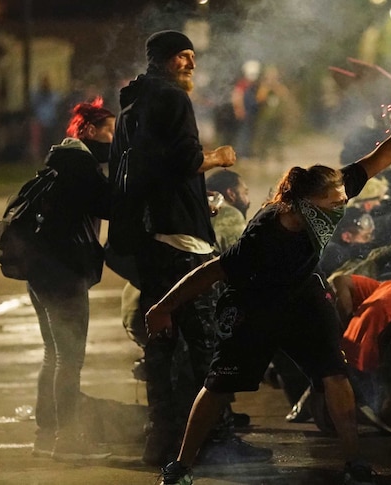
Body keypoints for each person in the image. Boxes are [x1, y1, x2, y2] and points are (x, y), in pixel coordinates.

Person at [146, 88, 391, 485]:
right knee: (220, 386)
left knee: (334, 373)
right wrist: (163, 307)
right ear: (304, 205)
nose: (341, 207)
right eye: (333, 204)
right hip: (254, 303)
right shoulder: (266, 232)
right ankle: (181, 465)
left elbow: (386, 153)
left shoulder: (333, 190)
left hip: (302, 295)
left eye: (342, 199)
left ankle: (354, 463)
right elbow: (211, 271)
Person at [110, 30, 238, 466]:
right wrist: (218, 158)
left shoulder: (132, 104)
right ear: (164, 60)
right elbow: (185, 160)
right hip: (183, 244)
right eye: (183, 56)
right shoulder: (173, 99)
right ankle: (213, 439)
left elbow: (148, 171)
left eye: (192, 57)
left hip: (150, 241)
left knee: (160, 346)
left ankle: (160, 439)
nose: (191, 64)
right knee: (206, 345)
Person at [27, 98, 115, 461]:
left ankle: (45, 435)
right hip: (63, 275)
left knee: (53, 354)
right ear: (91, 131)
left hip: (39, 272)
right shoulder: (81, 166)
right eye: (111, 131)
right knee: (69, 359)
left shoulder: (60, 160)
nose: (115, 138)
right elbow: (110, 206)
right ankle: (68, 440)